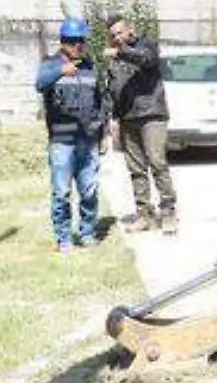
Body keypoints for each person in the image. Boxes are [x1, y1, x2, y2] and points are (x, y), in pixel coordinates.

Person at [35, 18, 110, 253]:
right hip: (61, 141)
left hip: (87, 139)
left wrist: (103, 130)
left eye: (81, 41)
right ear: (64, 42)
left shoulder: (89, 66)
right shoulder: (50, 64)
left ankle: (87, 232)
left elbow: (100, 100)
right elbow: (39, 83)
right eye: (74, 42)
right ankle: (63, 237)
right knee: (62, 192)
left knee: (89, 189)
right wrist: (60, 71)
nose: (79, 46)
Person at [103, 17, 178, 235]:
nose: (117, 38)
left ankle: (168, 212)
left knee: (157, 162)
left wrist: (120, 52)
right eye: (113, 35)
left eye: (120, 32)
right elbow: (113, 87)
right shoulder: (113, 57)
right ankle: (145, 215)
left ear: (130, 29)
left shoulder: (147, 45)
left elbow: (147, 60)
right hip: (128, 118)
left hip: (152, 114)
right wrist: (112, 117)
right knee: (136, 169)